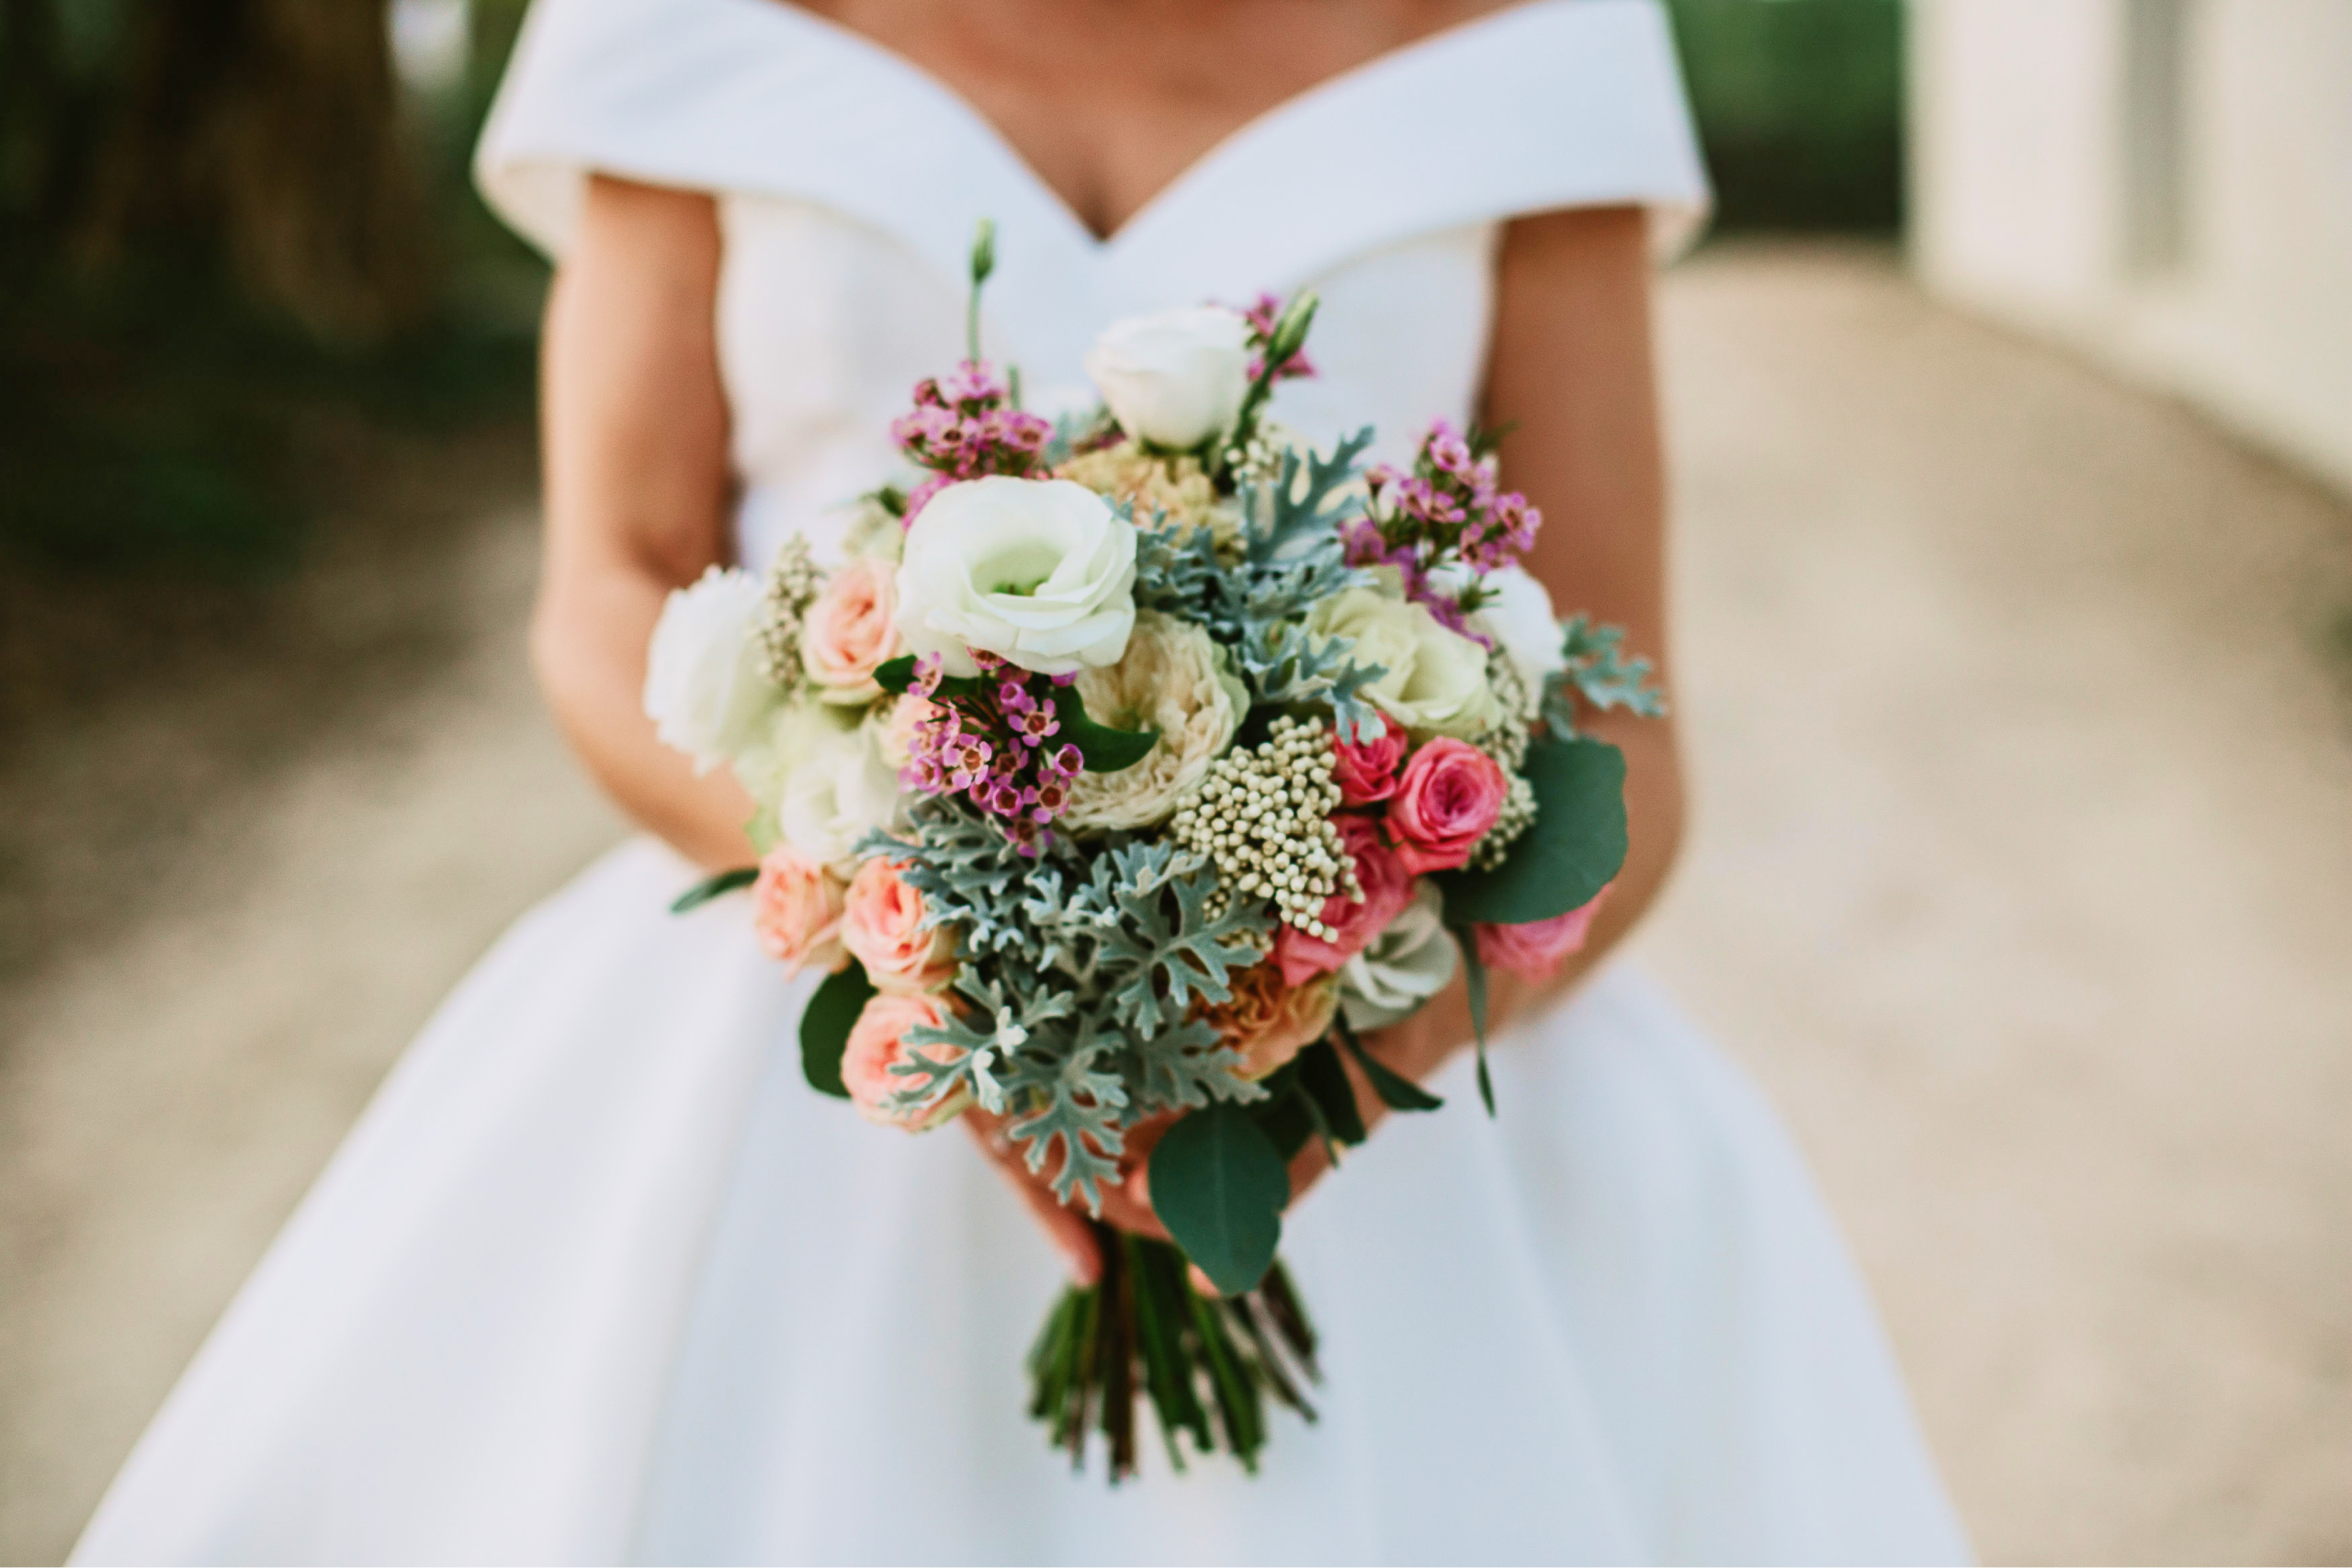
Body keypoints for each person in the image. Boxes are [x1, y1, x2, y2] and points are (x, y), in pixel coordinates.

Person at [74, 0, 1971, 1561]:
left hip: (1364, 1054)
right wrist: (931, 953)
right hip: (814, 1010)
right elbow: (606, 588)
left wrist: (1322, 1073)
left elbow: (1620, 732)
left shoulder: (1533, 38)